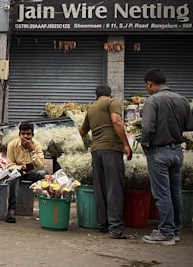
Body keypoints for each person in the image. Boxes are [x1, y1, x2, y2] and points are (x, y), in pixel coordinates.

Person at [139, 68, 192, 245]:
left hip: (159, 152)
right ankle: (175, 230)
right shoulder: (182, 100)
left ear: (150, 84)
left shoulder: (153, 100)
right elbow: (189, 125)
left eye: (146, 86)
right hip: (177, 151)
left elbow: (147, 128)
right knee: (175, 191)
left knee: (162, 193)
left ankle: (165, 232)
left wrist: (145, 145)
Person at [79, 86, 133, 239]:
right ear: (110, 94)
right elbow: (116, 121)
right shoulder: (112, 102)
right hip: (111, 149)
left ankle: (103, 225)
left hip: (96, 151)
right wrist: (126, 144)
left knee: (101, 188)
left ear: (96, 97)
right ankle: (115, 229)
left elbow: (82, 132)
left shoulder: (91, 109)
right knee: (114, 189)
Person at [5, 122, 48, 223]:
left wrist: (31, 151)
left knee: (44, 174)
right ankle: (11, 211)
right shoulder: (12, 145)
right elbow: (10, 165)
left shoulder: (36, 145)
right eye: (23, 134)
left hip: (31, 173)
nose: (25, 136)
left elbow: (40, 166)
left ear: (32, 135)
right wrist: (21, 168)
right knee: (13, 177)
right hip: (18, 172)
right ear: (19, 134)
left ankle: (45, 209)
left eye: (28, 134)